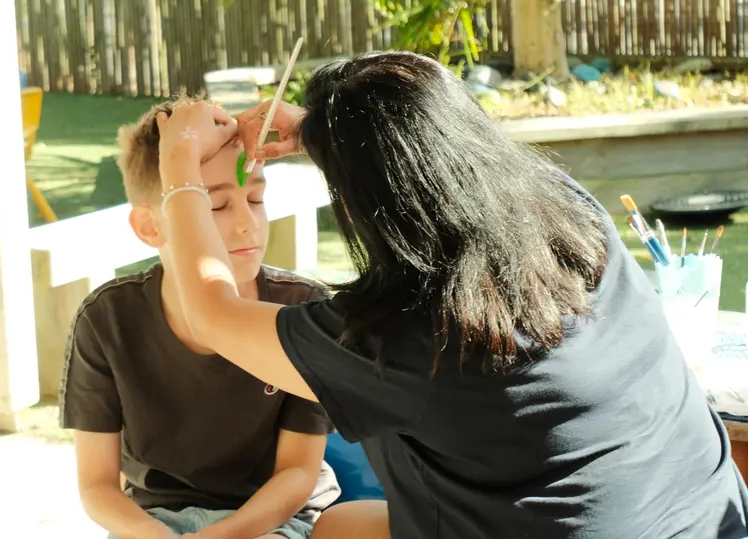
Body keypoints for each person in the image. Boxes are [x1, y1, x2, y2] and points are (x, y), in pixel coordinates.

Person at [152, 51, 748, 539]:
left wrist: (178, 168)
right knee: (341, 527)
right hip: (706, 514)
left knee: (336, 530)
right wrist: (319, 131)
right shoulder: (568, 211)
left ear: (366, 209)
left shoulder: (407, 334)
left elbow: (210, 312)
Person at [60, 98, 341, 539]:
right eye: (216, 206)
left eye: (256, 198)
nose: (248, 224)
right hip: (152, 523)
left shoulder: (303, 308)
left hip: (271, 521)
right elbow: (97, 485)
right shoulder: (106, 320)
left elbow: (296, 473)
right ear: (150, 227)